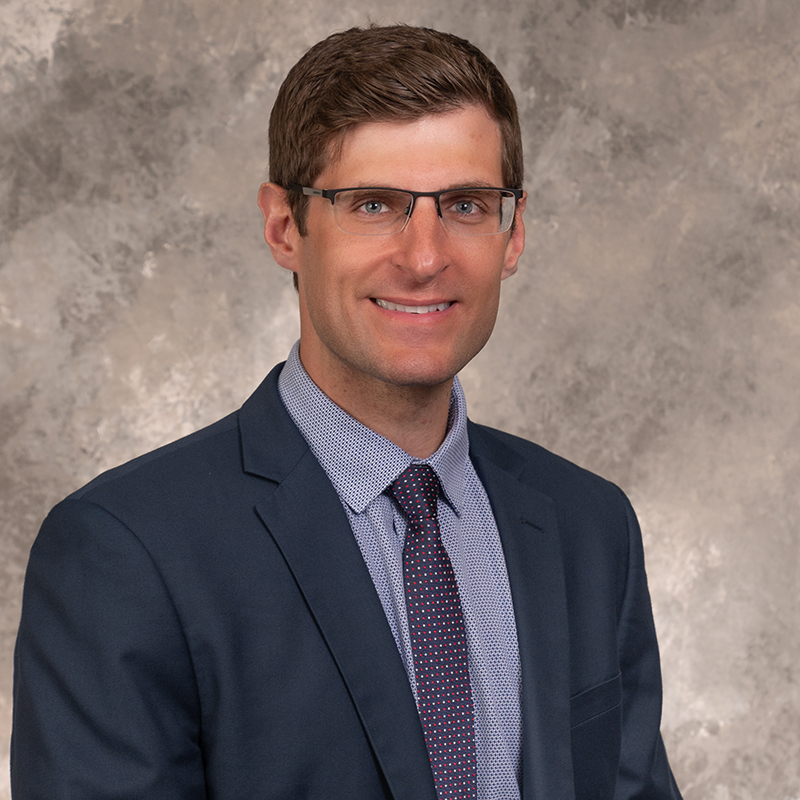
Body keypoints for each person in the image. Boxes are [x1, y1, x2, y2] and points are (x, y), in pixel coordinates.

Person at [11, 24, 682, 800]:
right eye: (374, 204)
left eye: (465, 204)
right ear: (284, 227)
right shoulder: (126, 553)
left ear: (513, 232)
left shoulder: (589, 528)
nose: (425, 256)